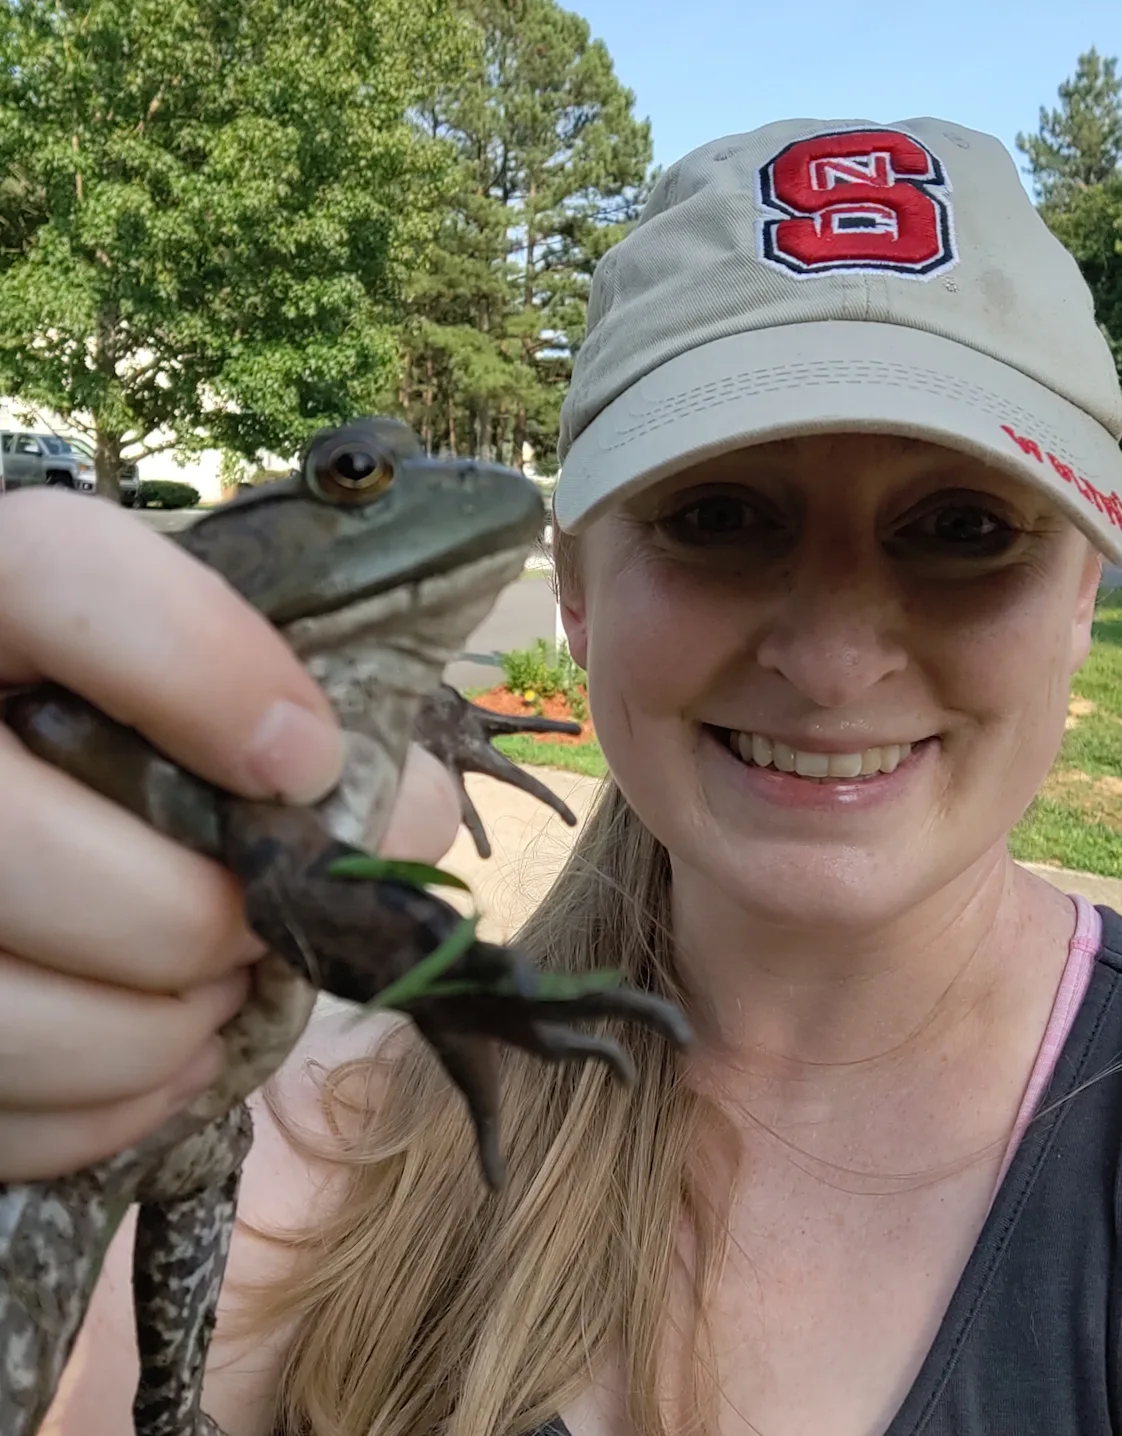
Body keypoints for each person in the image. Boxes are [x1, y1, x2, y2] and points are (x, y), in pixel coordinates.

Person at [6, 113, 1122, 1436]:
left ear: (1079, 597)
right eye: (718, 515)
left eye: (962, 529)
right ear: (575, 591)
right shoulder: (305, 1146)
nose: (830, 662)